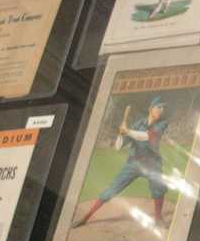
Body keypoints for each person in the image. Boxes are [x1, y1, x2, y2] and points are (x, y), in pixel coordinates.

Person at [73, 96, 170, 230]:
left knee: (159, 188)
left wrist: (127, 131)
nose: (161, 110)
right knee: (112, 189)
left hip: (152, 164)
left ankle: (158, 219)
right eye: (159, 107)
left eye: (163, 108)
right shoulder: (138, 124)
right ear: (150, 109)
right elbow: (118, 147)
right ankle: (86, 217)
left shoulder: (162, 124)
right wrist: (120, 134)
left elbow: (146, 137)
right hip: (134, 163)